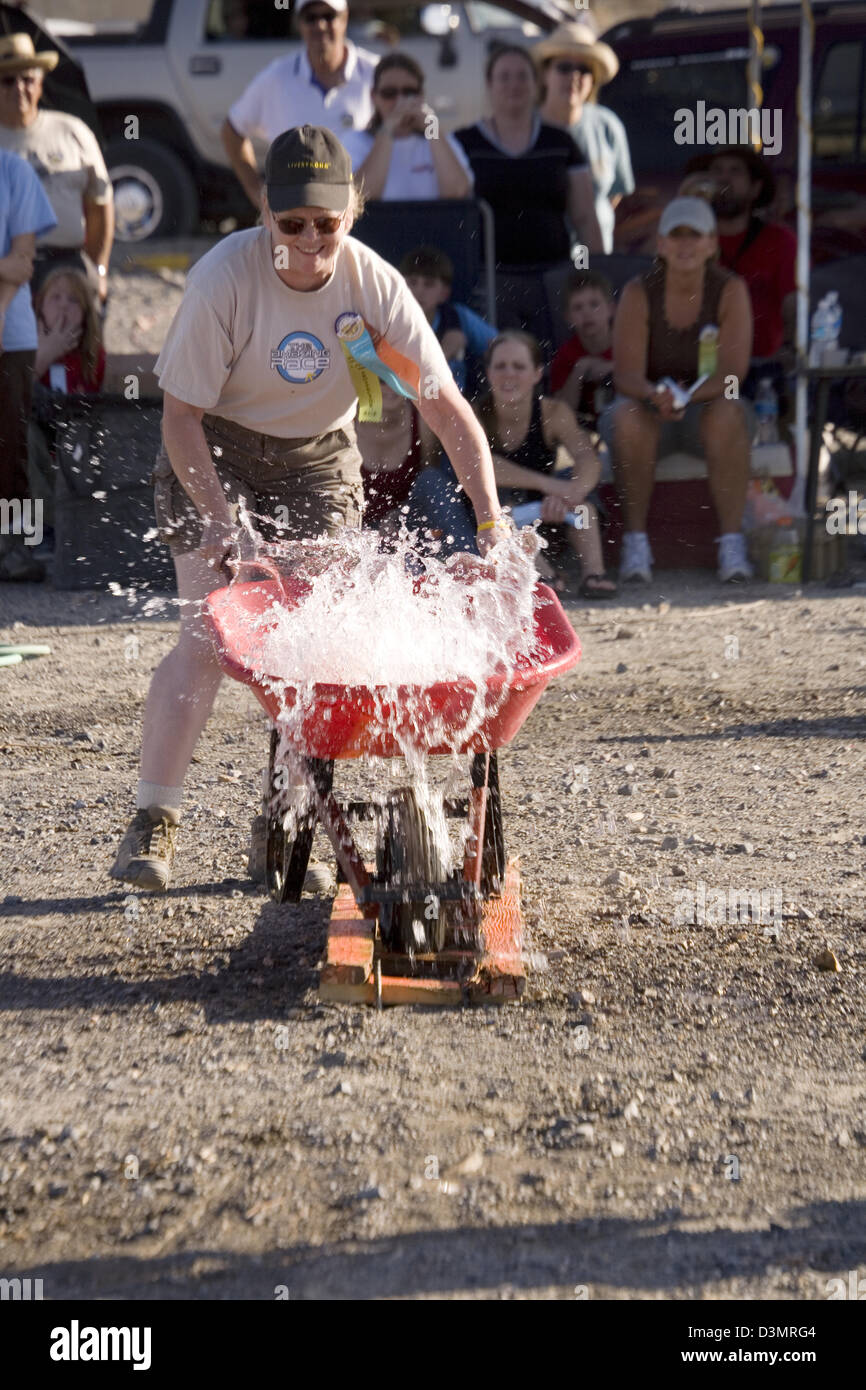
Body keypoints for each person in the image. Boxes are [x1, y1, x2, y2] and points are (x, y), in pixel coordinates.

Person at [109, 126, 505, 894]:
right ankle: (154, 819)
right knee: (207, 636)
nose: (310, 239)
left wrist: (491, 527)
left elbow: (449, 411)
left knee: (310, 651)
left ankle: (286, 822)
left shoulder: (375, 286)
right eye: (293, 223)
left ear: (352, 212)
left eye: (326, 222)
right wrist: (225, 527)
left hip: (318, 455)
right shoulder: (223, 278)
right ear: (267, 213)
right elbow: (179, 417)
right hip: (214, 441)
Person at [599, 197, 754, 585]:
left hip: (706, 414)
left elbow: (734, 374)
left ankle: (731, 544)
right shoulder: (638, 291)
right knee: (625, 417)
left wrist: (686, 398)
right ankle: (636, 543)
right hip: (652, 412)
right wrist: (656, 396)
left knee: (729, 410)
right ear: (661, 244)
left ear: (711, 245)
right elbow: (626, 375)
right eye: (676, 235)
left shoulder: (731, 290)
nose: (685, 245)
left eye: (695, 235)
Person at [454, 45, 602, 352]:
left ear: (537, 84)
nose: (514, 85)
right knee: (501, 364)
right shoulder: (464, 143)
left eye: (523, 76)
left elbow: (585, 217)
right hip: (489, 282)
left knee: (552, 361)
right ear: (489, 84)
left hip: (553, 279)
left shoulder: (560, 142)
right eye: (504, 77)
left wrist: (596, 274)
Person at [477, 330, 615, 597]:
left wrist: (573, 491)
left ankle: (594, 574)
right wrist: (550, 486)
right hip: (504, 518)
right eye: (501, 366)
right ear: (489, 373)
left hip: (550, 513)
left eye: (519, 366)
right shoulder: (475, 415)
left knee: (584, 505)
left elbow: (587, 458)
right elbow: (479, 466)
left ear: (537, 374)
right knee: (497, 513)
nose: (509, 374)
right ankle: (544, 578)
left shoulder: (554, 413)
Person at [221, 0, 378, 210]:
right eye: (310, 18)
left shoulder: (375, 73)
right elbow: (231, 131)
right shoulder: (276, 77)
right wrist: (259, 195)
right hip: (295, 219)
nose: (320, 26)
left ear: (345, 18)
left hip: (359, 212)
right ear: (299, 23)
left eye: (328, 17)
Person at [0, 34, 113, 305]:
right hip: (5, 268)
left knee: (74, 345)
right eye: (7, 80)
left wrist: (99, 270)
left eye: (27, 79)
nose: (19, 88)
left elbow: (101, 205)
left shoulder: (72, 131)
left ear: (40, 84)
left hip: (67, 265)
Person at [0, 147, 57, 583]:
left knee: (12, 447)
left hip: (10, 333)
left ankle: (22, 547)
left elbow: (22, 261)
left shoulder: (12, 169)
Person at [684, 144, 796, 364]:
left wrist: (782, 359)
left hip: (761, 367)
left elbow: (794, 308)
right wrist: (686, 198)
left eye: (735, 171)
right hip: (699, 369)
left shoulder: (780, 241)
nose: (724, 178)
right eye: (716, 170)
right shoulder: (686, 241)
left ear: (756, 188)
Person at [535, 20, 634, 255]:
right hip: (542, 260)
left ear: (593, 81)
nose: (574, 76)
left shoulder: (607, 125)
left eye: (584, 70)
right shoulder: (526, 128)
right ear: (545, 74)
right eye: (564, 67)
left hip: (594, 261)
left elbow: (615, 193)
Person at [28, 266, 106, 554]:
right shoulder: (24, 347)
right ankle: (46, 527)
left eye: (73, 300)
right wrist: (46, 353)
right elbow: (13, 394)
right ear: (39, 308)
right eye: (55, 298)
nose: (63, 305)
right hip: (37, 453)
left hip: (73, 451)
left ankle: (72, 527)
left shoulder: (92, 355)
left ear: (86, 313)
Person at [343, 53, 472, 201]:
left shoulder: (439, 140)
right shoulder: (356, 141)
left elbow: (457, 191)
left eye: (409, 92)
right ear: (374, 97)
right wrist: (388, 129)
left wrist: (433, 130)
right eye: (389, 93)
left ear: (421, 95)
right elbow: (361, 195)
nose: (400, 101)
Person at [399, 245, 495, 398]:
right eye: (412, 282)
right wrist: (444, 352)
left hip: (453, 405)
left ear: (444, 293)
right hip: (404, 403)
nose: (419, 291)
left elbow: (500, 347)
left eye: (428, 284)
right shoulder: (387, 320)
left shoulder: (458, 316)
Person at [550, 269, 615, 428]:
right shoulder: (566, 355)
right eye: (578, 308)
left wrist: (612, 368)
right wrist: (579, 371)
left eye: (594, 304)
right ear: (568, 318)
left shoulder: (628, 343)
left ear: (611, 309)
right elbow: (561, 411)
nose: (587, 313)